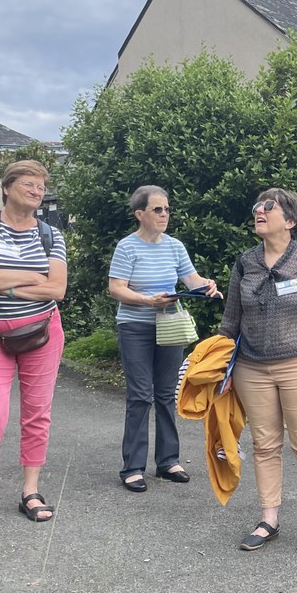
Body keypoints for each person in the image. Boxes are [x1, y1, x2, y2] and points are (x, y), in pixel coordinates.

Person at [219, 187, 297, 558]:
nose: (259, 211)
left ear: (289, 221)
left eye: (268, 207)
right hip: (251, 368)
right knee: (265, 444)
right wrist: (220, 366)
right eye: (257, 206)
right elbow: (230, 322)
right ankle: (268, 519)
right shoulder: (245, 262)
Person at [0, 160, 67, 536]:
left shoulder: (51, 235)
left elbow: (57, 289)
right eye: (28, 183)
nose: (36, 191)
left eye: (41, 186)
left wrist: (4, 282)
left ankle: (30, 491)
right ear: (6, 187)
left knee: (37, 414)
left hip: (42, 334)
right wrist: (31, 278)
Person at [108, 185, 220, 493]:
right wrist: (147, 301)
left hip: (169, 326)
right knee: (140, 395)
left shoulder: (174, 246)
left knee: (168, 393)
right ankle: (133, 467)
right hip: (135, 326)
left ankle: (168, 461)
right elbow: (116, 288)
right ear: (139, 214)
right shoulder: (127, 247)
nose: (164, 214)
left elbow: (192, 280)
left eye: (167, 209)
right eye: (157, 209)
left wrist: (207, 286)